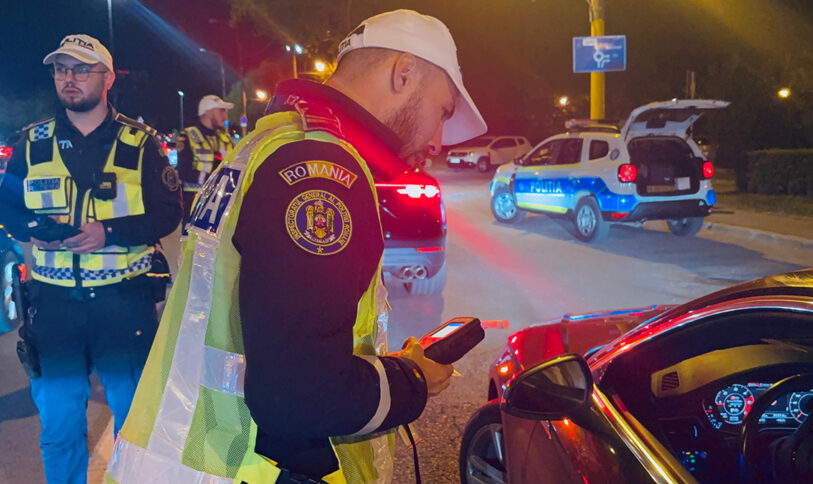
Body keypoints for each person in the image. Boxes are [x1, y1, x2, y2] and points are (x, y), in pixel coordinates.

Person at [107, 9, 486, 484]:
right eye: (443, 112)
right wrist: (411, 379)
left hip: (200, 455)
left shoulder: (271, 143)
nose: (437, 140)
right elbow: (299, 396)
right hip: (255, 467)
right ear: (403, 73)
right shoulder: (322, 170)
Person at [0, 34, 182, 484]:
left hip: (125, 305)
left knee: (134, 427)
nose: (69, 78)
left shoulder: (141, 144)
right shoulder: (30, 142)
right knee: (59, 429)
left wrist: (110, 232)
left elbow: (168, 212)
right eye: (62, 69)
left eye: (82, 69)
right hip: (54, 307)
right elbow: (8, 206)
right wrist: (33, 230)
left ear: (108, 78)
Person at [176, 94, 234, 222]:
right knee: (191, 241)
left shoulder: (225, 138)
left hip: (223, 203)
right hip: (196, 203)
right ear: (207, 112)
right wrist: (215, 176)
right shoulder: (188, 136)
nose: (225, 116)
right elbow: (183, 172)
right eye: (221, 111)